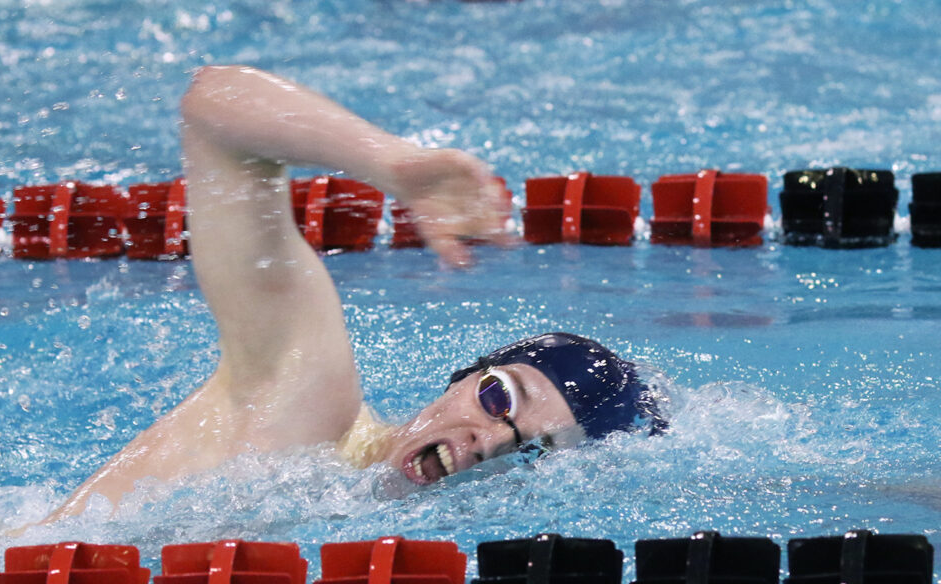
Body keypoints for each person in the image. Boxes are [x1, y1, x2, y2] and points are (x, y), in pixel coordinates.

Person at [47, 66, 661, 522]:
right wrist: (393, 163)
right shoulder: (307, 408)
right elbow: (212, 106)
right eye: (499, 398)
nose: (492, 441)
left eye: (533, 453)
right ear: (464, 377)